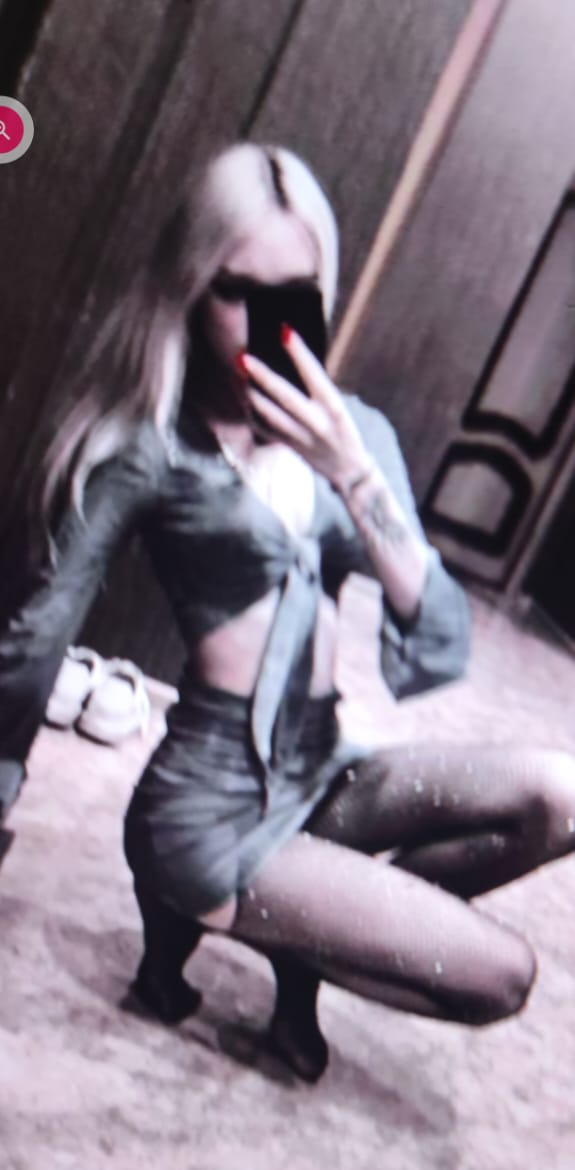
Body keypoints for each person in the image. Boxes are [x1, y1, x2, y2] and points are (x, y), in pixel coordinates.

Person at [1, 142, 575, 1084]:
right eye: (237, 291)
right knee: (499, 975)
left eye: (295, 294)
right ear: (189, 292)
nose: (265, 323)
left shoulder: (354, 434)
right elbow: (36, 638)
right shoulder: (148, 448)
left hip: (322, 769)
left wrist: (350, 474)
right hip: (211, 806)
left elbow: (436, 645)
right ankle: (286, 919)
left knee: (558, 794)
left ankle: (312, 923)